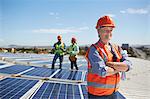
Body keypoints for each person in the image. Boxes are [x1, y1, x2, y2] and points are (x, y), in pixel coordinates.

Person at [85, 16, 132, 99]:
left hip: (113, 93)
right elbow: (103, 71)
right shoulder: (94, 50)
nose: (109, 33)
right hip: (97, 95)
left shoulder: (116, 48)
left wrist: (110, 64)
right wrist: (120, 68)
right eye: (105, 30)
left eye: (110, 30)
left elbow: (129, 65)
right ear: (98, 31)